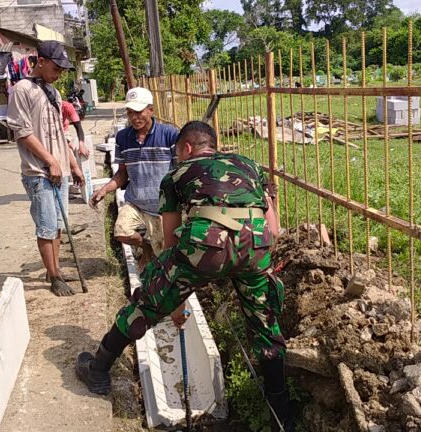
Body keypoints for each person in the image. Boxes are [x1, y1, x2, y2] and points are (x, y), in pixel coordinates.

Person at [76, 121, 294, 430]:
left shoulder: (176, 176)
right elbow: (273, 229)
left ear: (186, 149)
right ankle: (281, 416)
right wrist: (244, 264)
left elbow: (170, 242)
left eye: (178, 152)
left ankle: (97, 370)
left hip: (203, 249)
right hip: (256, 247)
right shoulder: (251, 167)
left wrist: (172, 299)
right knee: (266, 329)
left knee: (145, 304)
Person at [7, 40, 86, 297]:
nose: (59, 73)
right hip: (39, 172)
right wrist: (50, 161)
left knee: (59, 224)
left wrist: (71, 164)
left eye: (62, 69)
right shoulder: (22, 89)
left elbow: (60, 133)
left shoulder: (53, 92)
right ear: (40, 61)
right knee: (47, 226)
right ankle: (53, 276)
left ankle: (57, 270)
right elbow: (22, 132)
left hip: (59, 169)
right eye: (56, 67)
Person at [88, 87, 178, 268]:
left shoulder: (169, 135)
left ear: (151, 110)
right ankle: (146, 247)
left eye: (139, 112)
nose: (135, 118)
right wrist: (104, 190)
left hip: (162, 207)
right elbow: (122, 173)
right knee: (121, 232)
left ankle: (152, 260)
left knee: (164, 260)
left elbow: (180, 170)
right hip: (135, 202)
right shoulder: (123, 137)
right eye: (130, 113)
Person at [61, 97, 89, 199]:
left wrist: (81, 144)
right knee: (62, 154)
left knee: (71, 149)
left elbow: (78, 127)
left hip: (64, 131)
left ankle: (74, 181)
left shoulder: (67, 107)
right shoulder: (45, 108)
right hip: (51, 134)